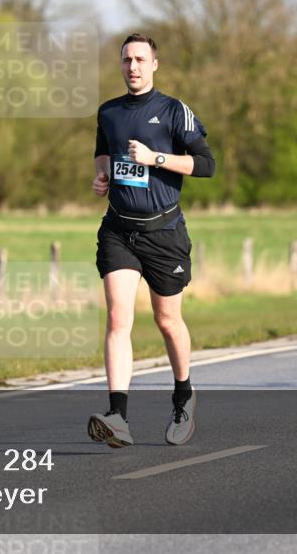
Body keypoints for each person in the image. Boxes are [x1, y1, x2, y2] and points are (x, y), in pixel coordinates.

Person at [87, 33, 215, 447]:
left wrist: (155, 158)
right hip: (119, 230)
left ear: (154, 64)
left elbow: (207, 165)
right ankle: (117, 416)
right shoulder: (108, 112)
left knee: (167, 320)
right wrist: (103, 175)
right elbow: (103, 151)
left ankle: (183, 394)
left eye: (140, 59)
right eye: (126, 60)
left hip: (164, 232)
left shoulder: (174, 110)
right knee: (118, 318)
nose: (133, 67)